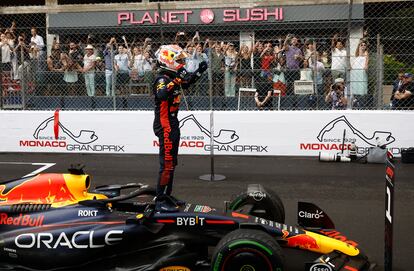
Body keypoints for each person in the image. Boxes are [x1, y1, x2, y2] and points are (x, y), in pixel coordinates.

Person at [153, 44, 207, 212]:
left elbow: (188, 82)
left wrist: (200, 71)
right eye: (179, 61)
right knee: (166, 164)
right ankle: (160, 199)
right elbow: (161, 94)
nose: (182, 64)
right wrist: (176, 79)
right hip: (165, 125)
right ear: (168, 61)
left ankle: (167, 195)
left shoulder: (172, 76)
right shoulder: (162, 78)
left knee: (172, 163)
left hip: (173, 123)